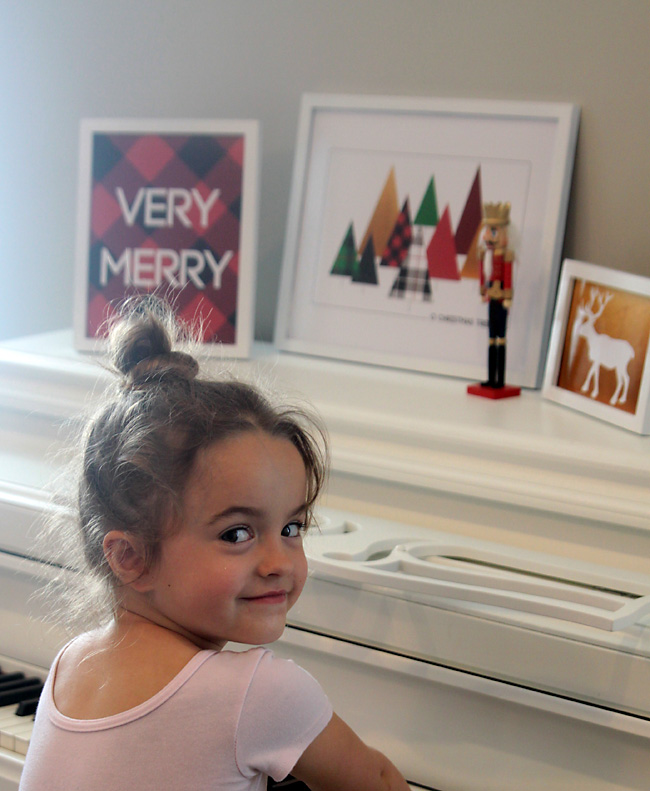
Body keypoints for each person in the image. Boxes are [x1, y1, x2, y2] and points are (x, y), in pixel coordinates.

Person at [19, 299, 409, 791]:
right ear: (129, 557)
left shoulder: (70, 665)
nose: (278, 563)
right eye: (237, 534)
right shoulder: (259, 693)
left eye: (292, 528)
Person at [478, 201, 514, 389]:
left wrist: (508, 296)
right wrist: (483, 291)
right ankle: (491, 378)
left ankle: (500, 380)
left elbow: (508, 277)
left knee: (501, 337)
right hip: (492, 298)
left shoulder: (506, 257)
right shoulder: (488, 258)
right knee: (491, 337)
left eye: (494, 231)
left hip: (501, 299)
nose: (489, 237)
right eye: (488, 231)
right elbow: (484, 275)